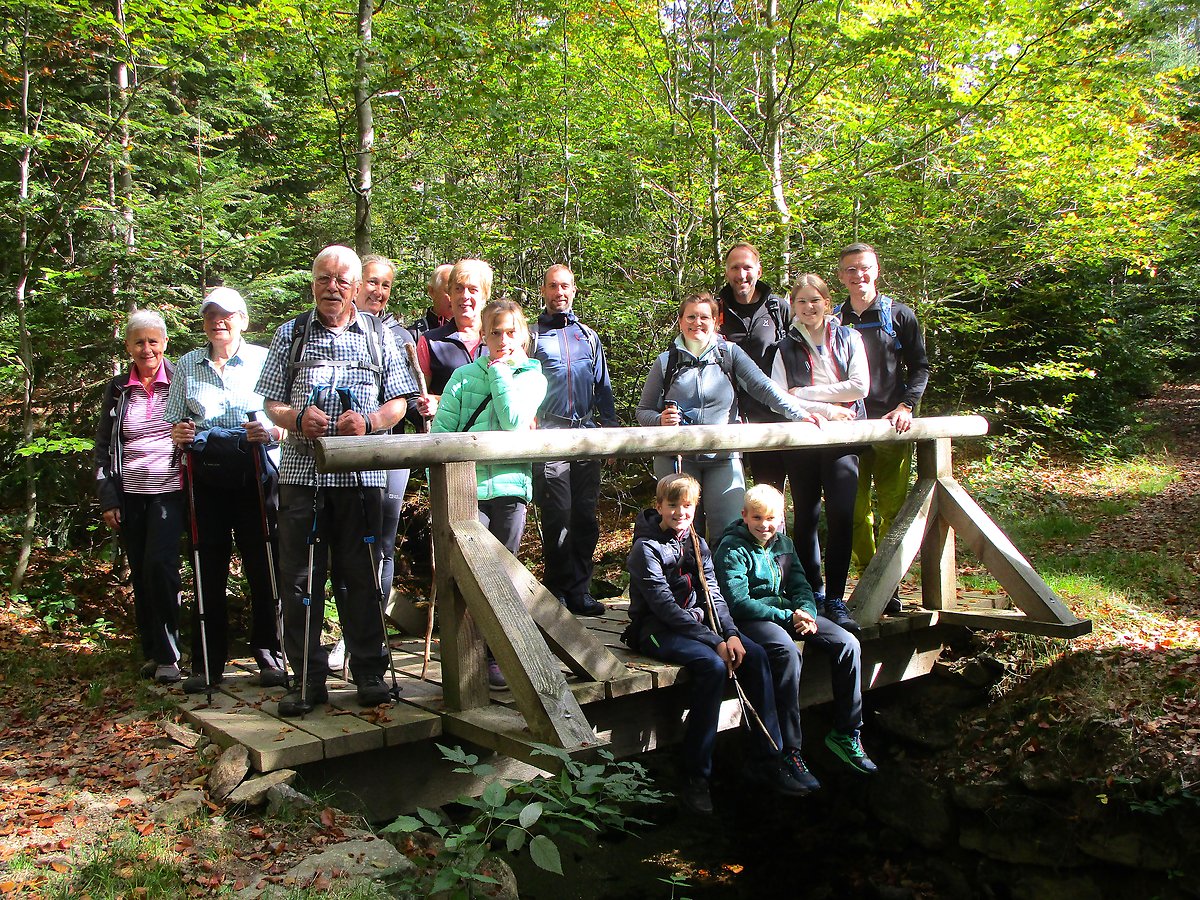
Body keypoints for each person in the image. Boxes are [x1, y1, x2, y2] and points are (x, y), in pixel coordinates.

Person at [256, 245, 417, 715]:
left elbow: (400, 401)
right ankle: (306, 679)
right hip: (302, 477)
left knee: (363, 577)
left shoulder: (379, 335)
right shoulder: (291, 334)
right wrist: (294, 418)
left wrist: (368, 423)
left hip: (362, 478)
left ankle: (369, 673)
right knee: (301, 579)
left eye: (342, 280)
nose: (333, 287)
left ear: (356, 286)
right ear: (313, 283)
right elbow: (270, 403)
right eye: (324, 278)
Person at [625, 473, 813, 815]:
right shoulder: (645, 549)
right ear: (659, 507)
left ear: (695, 508)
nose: (680, 513)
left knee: (754, 654)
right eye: (673, 505)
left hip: (698, 626)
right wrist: (715, 642)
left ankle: (768, 757)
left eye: (687, 506)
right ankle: (696, 775)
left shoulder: (697, 542)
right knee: (712, 666)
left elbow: (714, 594)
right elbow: (664, 607)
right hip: (654, 629)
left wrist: (730, 634)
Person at [715, 484, 878, 786]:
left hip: (790, 613)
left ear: (781, 518)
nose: (765, 525)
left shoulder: (784, 544)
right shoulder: (732, 548)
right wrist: (788, 616)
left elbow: (802, 585)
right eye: (757, 518)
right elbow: (737, 602)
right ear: (744, 516)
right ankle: (790, 749)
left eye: (771, 519)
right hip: (752, 618)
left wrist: (807, 613)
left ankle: (846, 732)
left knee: (848, 643)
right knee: (786, 652)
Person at [166, 288, 287, 692]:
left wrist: (270, 430)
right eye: (212, 315)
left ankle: (270, 654)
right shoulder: (186, 364)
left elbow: (287, 417)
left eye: (228, 315)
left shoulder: (264, 358)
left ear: (243, 320)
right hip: (205, 477)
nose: (220, 321)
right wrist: (180, 432)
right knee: (207, 565)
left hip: (255, 471)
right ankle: (206, 662)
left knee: (262, 563)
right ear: (203, 322)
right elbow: (174, 423)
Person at [636, 291, 819, 543]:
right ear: (680, 321)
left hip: (723, 458)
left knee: (730, 534)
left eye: (704, 317)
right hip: (676, 459)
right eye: (690, 317)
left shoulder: (729, 354)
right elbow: (643, 411)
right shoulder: (666, 362)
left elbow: (764, 388)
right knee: (680, 535)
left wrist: (801, 414)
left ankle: (725, 583)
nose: (696, 323)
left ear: (715, 321)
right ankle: (686, 584)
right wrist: (660, 420)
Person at [432, 292, 547, 690]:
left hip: (511, 486)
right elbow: (440, 434)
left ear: (523, 335)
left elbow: (515, 422)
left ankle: (500, 656)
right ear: (484, 334)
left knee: (504, 573)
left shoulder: (533, 376)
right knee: (468, 575)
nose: (503, 339)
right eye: (495, 332)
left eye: (511, 332)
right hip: (468, 489)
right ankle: (469, 659)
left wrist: (500, 373)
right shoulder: (463, 377)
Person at [770, 274, 869, 635]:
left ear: (827, 302)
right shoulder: (784, 347)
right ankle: (813, 591)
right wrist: (828, 407)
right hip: (804, 436)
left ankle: (837, 599)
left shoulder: (849, 337)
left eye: (815, 300)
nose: (809, 308)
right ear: (792, 306)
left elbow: (860, 386)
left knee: (842, 515)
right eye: (801, 302)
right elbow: (781, 395)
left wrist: (808, 394)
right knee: (806, 516)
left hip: (844, 437)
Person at [834, 244, 930, 612]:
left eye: (865, 268)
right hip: (850, 426)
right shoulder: (835, 319)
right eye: (851, 270)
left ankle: (890, 584)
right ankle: (871, 578)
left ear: (876, 270)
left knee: (894, 509)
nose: (859, 276)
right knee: (854, 511)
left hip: (891, 425)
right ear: (841, 277)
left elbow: (919, 366)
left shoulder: (898, 315)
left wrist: (907, 406)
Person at [94, 310, 184, 684]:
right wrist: (109, 497)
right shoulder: (117, 389)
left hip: (170, 491)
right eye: (138, 342)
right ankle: (152, 650)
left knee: (160, 567)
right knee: (142, 573)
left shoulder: (180, 379)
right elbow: (103, 447)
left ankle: (169, 656)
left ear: (164, 343)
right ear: (128, 346)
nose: (146, 349)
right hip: (130, 495)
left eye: (153, 341)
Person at [530, 264, 619, 617]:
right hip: (549, 435)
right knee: (557, 515)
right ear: (543, 290)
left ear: (575, 290)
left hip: (585, 435)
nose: (559, 292)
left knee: (585, 515)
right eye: (553, 286)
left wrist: (609, 432)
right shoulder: (533, 335)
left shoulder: (587, 336)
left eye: (565, 286)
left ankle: (580, 589)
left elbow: (603, 388)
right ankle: (558, 591)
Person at [354, 255, 419, 602]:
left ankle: (374, 623)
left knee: (384, 543)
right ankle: (352, 626)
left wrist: (427, 404)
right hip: (345, 454)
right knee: (349, 544)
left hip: (388, 451)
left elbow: (406, 401)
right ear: (354, 283)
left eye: (385, 285)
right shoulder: (331, 329)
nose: (378, 291)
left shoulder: (399, 335)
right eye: (372, 282)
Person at [717, 242, 791, 493]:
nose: (741, 275)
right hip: (730, 414)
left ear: (759, 271)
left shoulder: (778, 308)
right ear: (726, 271)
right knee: (732, 492)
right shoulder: (715, 311)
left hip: (774, 415)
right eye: (734, 268)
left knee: (774, 493)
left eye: (747, 267)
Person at [413, 260, 487, 418]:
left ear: (484, 296)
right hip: (446, 437)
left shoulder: (501, 339)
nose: (465, 296)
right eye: (458, 289)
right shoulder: (431, 342)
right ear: (450, 295)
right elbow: (414, 399)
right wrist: (428, 405)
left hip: (492, 437)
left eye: (473, 290)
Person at [408, 263, 453, 340]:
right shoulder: (415, 334)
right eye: (449, 291)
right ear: (432, 291)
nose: (454, 297)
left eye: (458, 290)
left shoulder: (473, 332)